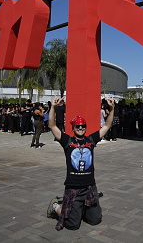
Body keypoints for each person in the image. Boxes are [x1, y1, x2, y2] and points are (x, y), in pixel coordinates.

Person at [47, 97, 115, 231]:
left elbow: (107, 125)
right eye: (77, 126)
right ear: (73, 128)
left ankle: (81, 209)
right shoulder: (67, 141)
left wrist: (112, 109)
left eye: (83, 126)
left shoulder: (91, 140)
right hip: (73, 188)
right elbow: (52, 125)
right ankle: (56, 207)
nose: (80, 128)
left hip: (90, 187)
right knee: (72, 225)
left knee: (95, 220)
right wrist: (53, 108)